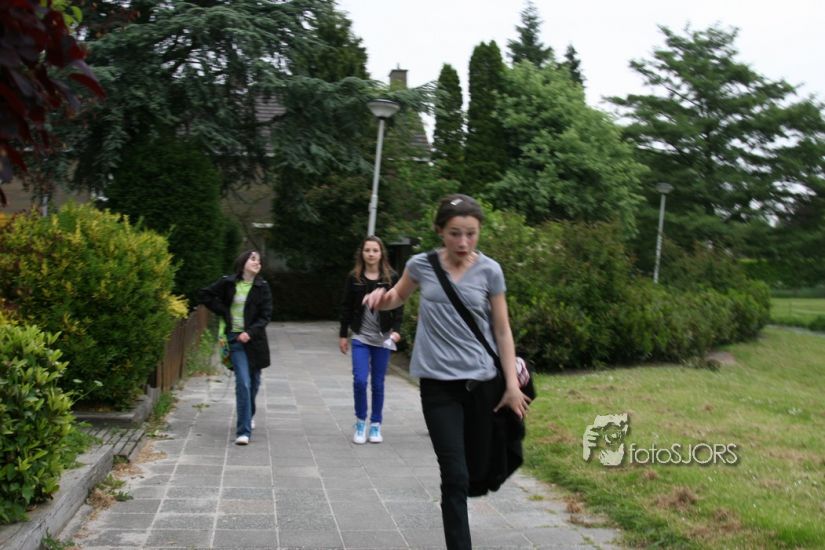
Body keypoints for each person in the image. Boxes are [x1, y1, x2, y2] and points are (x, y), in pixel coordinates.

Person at [363, 194, 531, 550]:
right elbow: (397, 296)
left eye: (471, 233)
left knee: (480, 468)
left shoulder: (490, 271)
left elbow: (502, 330)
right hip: (438, 388)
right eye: (455, 233)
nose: (463, 242)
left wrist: (512, 386)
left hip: (481, 384)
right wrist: (381, 298)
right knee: (454, 475)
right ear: (440, 231)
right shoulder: (421, 265)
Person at [198, 250, 272, 445]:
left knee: (254, 383)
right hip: (235, 340)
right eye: (253, 259)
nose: (257, 262)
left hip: (255, 342)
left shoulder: (262, 287)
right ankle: (243, 431)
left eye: (259, 260)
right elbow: (205, 294)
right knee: (243, 383)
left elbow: (265, 316)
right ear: (243, 262)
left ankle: (249, 414)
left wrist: (250, 333)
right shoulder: (228, 283)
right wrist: (223, 311)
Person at [339, 236, 404, 444]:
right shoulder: (354, 277)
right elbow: (346, 306)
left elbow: (399, 305)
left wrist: (396, 331)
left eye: (375, 250)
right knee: (360, 380)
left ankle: (375, 424)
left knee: (377, 383)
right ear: (362, 253)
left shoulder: (391, 277)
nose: (371, 254)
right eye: (367, 250)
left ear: (381, 253)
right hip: (360, 336)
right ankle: (360, 422)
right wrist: (343, 334)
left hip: (383, 337)